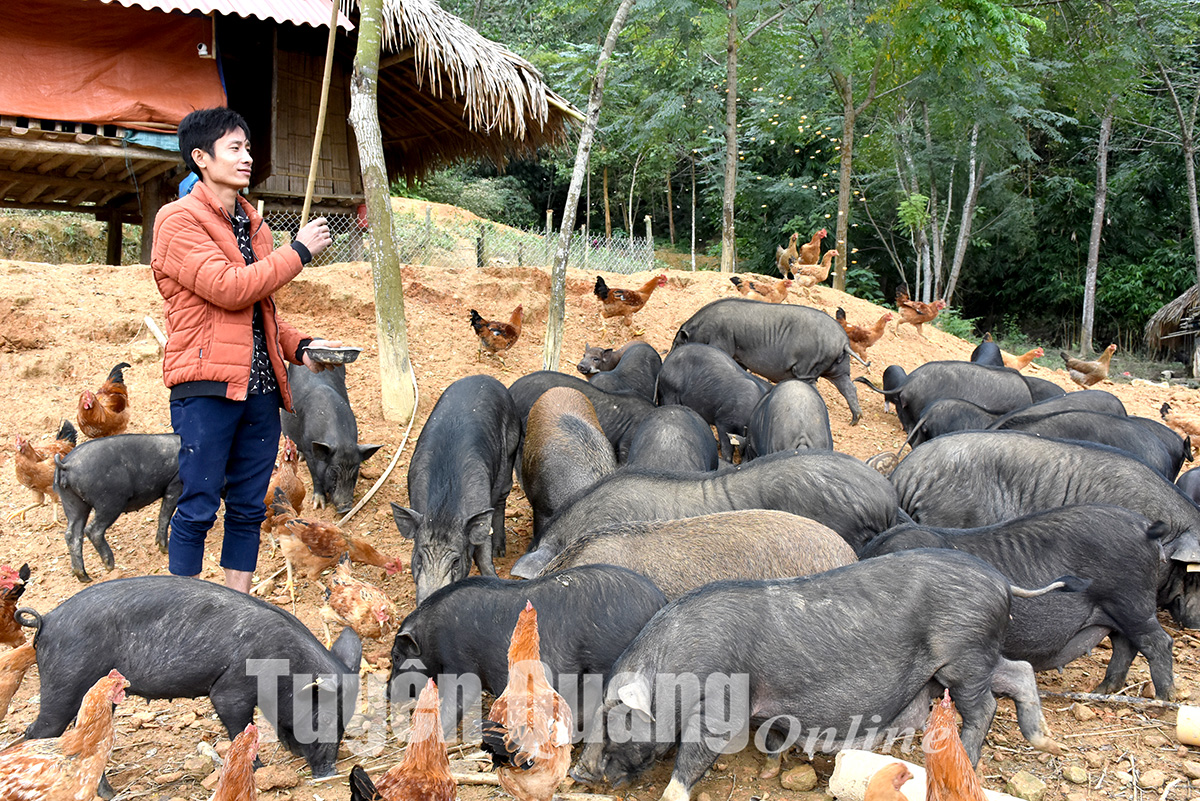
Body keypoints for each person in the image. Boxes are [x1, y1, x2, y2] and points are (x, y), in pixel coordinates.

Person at [151, 107, 337, 593]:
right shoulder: (177, 221)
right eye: (234, 148)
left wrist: (303, 347)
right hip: (206, 385)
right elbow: (230, 289)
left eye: (248, 147)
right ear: (201, 157)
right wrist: (297, 252)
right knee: (198, 503)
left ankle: (238, 611)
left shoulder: (255, 227)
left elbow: (259, 314)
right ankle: (183, 610)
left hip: (258, 389)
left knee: (251, 507)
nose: (246, 157)